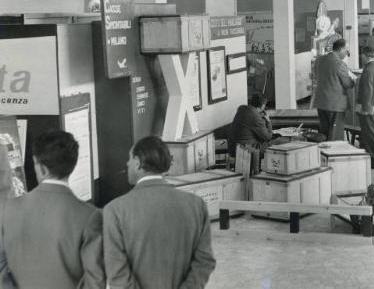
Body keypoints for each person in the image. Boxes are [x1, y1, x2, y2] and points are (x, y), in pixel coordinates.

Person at [104, 136, 216, 289]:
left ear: (137, 163)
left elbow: (117, 272)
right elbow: (204, 261)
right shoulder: (196, 205)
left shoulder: (114, 210)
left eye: (129, 159)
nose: (127, 164)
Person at [0, 130, 105, 289]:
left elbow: (1, 267)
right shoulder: (90, 216)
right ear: (73, 164)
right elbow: (95, 280)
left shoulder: (8, 210)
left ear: (41, 168)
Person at [313, 38, 356, 140]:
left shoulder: (319, 60)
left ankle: (323, 155)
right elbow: (347, 84)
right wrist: (353, 80)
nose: (346, 55)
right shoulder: (340, 64)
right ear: (341, 49)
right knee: (335, 137)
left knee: (324, 134)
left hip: (321, 103)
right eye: (346, 51)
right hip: (335, 105)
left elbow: (316, 75)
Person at [356, 46, 374, 169]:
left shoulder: (368, 70)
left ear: (364, 55)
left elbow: (367, 90)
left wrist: (365, 109)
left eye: (361, 55)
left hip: (370, 109)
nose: (360, 57)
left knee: (371, 136)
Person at [228, 92, 273, 158]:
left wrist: (258, 116)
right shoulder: (256, 117)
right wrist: (268, 121)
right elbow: (268, 137)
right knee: (274, 144)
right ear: (263, 105)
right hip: (245, 151)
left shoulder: (241, 109)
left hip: (233, 148)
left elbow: (249, 121)